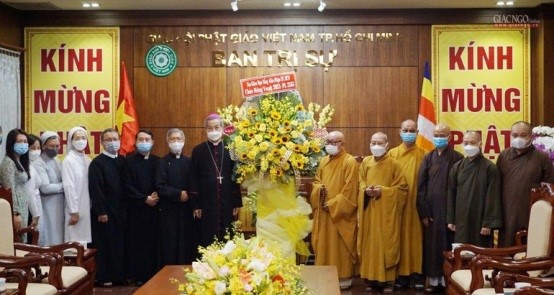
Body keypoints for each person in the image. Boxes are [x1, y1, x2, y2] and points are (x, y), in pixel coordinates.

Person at [358, 132, 408, 294]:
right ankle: (371, 279)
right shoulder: (365, 162)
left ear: (387, 145)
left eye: (380, 143)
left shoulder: (394, 164)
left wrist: (383, 192)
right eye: (373, 142)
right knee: (370, 245)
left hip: (387, 213)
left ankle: (388, 281)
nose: (376, 146)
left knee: (387, 245)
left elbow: (402, 189)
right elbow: (360, 182)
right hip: (369, 212)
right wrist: (365, 190)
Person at [416, 123, 463, 293]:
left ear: (449, 137)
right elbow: (421, 187)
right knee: (433, 245)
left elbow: (462, 187)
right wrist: (424, 213)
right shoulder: (428, 158)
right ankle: (434, 281)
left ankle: (450, 280)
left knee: (450, 245)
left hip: (452, 211)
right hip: (433, 212)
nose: (439, 138)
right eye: (436, 134)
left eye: (443, 135)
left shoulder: (458, 158)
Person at [309, 131, 359, 290]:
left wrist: (332, 204)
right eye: (328, 141)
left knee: (339, 247)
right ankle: (323, 276)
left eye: (334, 142)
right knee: (323, 245)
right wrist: (318, 190)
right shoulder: (323, 161)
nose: (330, 145)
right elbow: (316, 181)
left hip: (339, 216)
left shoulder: (349, 162)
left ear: (343, 144)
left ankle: (343, 278)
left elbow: (350, 190)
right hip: (323, 214)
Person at [497, 121, 554, 246]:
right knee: (505, 248)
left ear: (531, 136)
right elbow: (497, 186)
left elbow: (550, 186)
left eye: (523, 135)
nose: (519, 138)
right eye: (515, 135)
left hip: (530, 212)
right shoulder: (503, 156)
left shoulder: (541, 157)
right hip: (507, 211)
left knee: (529, 248)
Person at [190, 114, 243, 247]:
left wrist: (236, 201)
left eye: (216, 127)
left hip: (227, 199)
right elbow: (193, 178)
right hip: (206, 201)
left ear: (223, 128)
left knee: (227, 233)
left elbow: (236, 176)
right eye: (210, 128)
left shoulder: (231, 148)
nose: (213, 131)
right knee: (207, 234)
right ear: (206, 130)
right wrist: (196, 204)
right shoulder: (198, 150)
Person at [388, 119, 426, 290]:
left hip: (416, 205)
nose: (409, 133)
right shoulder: (391, 154)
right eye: (406, 130)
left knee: (416, 240)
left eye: (412, 130)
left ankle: (418, 274)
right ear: (399, 131)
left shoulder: (424, 154)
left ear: (417, 132)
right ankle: (401, 275)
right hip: (397, 204)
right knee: (399, 239)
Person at [446, 131, 502, 247]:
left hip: (480, 219)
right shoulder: (457, 167)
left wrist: (487, 223)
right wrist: (451, 219)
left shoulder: (490, 168)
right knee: (461, 253)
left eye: (472, 143)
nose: (469, 146)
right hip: (461, 219)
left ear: (480, 144)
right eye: (466, 143)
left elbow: (493, 197)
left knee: (480, 254)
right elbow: (451, 193)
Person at [88, 128, 126, 287]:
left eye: (115, 139)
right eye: (108, 139)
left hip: (121, 209)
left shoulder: (123, 160)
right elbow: (95, 189)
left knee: (119, 244)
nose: (112, 142)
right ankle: (104, 276)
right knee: (105, 244)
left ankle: (119, 275)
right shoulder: (97, 163)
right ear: (102, 142)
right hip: (105, 211)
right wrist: (101, 211)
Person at [124, 129, 160, 284]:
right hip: (136, 210)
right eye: (141, 139)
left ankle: (154, 274)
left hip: (155, 209)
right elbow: (126, 186)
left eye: (147, 139)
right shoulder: (128, 161)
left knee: (153, 243)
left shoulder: (158, 161)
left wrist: (156, 195)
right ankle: (138, 276)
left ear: (152, 142)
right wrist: (144, 198)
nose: (144, 142)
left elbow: (161, 182)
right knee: (137, 244)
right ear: (135, 141)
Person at [156, 128, 196, 265]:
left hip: (186, 210)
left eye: (179, 139)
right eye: (173, 139)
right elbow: (160, 186)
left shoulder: (190, 162)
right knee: (170, 241)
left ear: (184, 141)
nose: (176, 142)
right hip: (169, 210)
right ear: (167, 141)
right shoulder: (162, 162)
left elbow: (195, 184)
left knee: (186, 240)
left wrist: (189, 195)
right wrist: (178, 194)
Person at [61, 126, 92, 245]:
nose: (81, 141)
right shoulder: (69, 161)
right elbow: (68, 187)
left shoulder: (87, 160)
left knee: (84, 243)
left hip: (86, 207)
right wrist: (74, 211)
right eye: (77, 138)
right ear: (71, 141)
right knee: (73, 243)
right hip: (74, 209)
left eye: (83, 138)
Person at [0, 129, 31, 240]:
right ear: (11, 143)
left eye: (25, 141)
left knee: (23, 239)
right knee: (18, 241)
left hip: (23, 207)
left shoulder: (18, 161)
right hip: (16, 210)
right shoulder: (8, 162)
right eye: (19, 141)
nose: (23, 144)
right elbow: (9, 190)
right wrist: (15, 213)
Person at [34, 131, 65, 245]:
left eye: (57, 146)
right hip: (47, 205)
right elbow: (45, 188)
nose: (55, 149)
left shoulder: (57, 161)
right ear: (43, 146)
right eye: (52, 146)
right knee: (50, 237)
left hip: (59, 205)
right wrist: (65, 186)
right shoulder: (39, 162)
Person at [26, 134, 45, 245]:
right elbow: (30, 192)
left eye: (38, 148)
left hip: (37, 205)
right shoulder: (26, 167)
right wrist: (35, 213)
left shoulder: (31, 165)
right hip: (31, 210)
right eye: (32, 148)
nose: (36, 151)